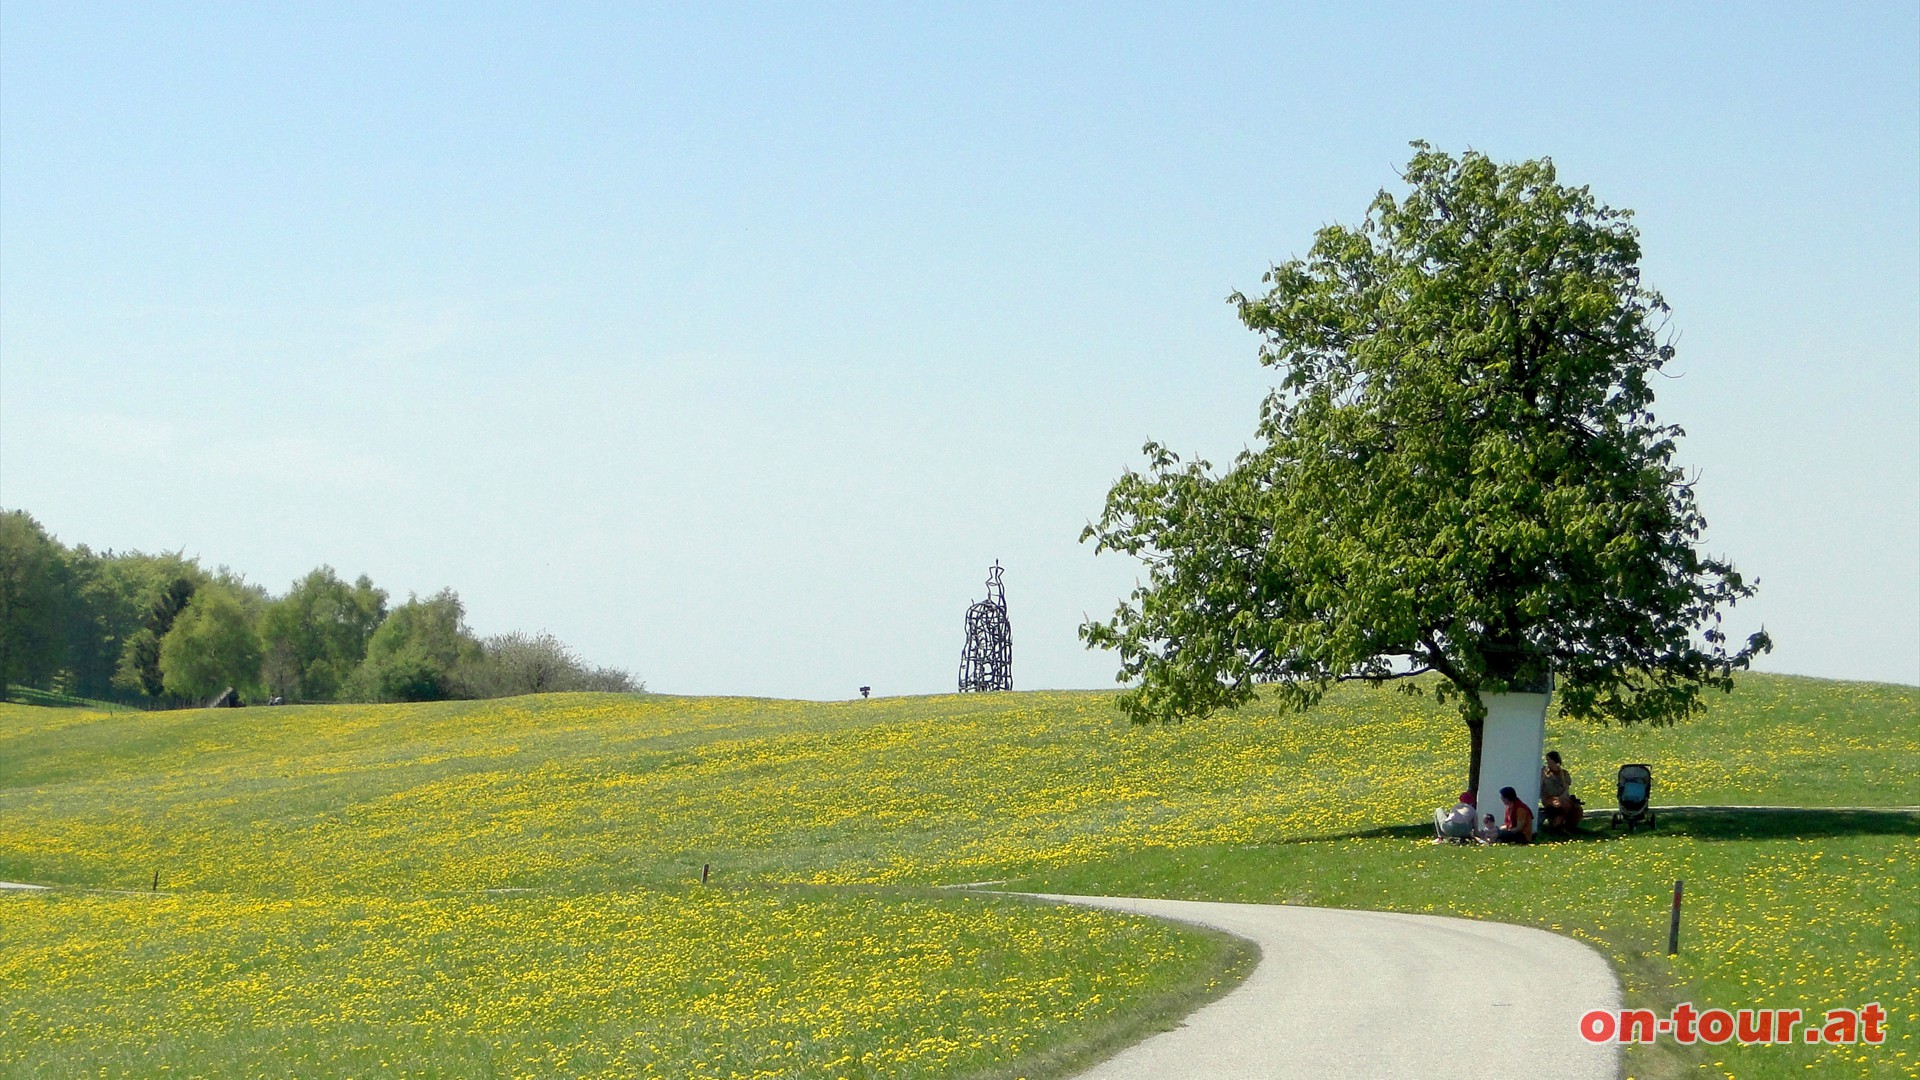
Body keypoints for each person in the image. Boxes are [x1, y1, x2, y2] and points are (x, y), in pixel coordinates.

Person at [1540, 750, 1583, 831]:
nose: (1547, 762)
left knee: (1576, 808)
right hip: (1548, 798)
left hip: (1562, 797)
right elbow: (1540, 787)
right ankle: (1557, 824)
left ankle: (1569, 825)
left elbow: (1566, 787)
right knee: (1561, 804)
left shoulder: (1564, 773)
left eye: (1549, 760)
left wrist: (1562, 796)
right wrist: (1543, 777)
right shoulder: (1545, 773)